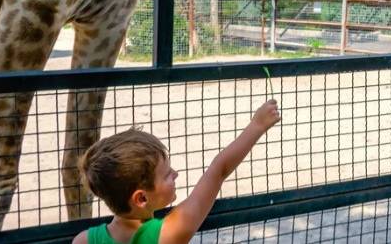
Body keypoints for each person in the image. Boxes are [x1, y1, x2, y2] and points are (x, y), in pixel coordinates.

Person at [73, 100, 281, 244]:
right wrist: (257, 125)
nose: (176, 174)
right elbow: (218, 171)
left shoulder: (83, 240)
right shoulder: (167, 234)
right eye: (166, 174)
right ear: (141, 198)